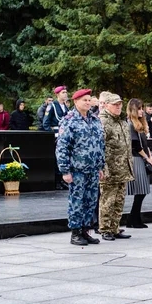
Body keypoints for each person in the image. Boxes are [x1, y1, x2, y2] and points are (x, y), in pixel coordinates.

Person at [55, 89, 105, 246]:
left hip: (92, 169)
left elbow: (100, 145)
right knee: (77, 201)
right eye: (85, 100)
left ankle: (85, 230)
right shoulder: (69, 121)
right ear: (76, 102)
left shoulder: (95, 120)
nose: (88, 103)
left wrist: (100, 167)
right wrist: (65, 170)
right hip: (77, 170)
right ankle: (75, 233)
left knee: (90, 201)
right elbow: (62, 147)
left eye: (89, 100)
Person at [98, 94, 134, 241]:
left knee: (119, 200)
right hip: (110, 169)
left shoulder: (122, 122)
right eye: (115, 104)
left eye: (119, 104)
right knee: (108, 200)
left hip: (122, 168)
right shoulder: (103, 121)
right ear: (106, 105)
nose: (118, 107)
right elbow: (100, 147)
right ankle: (105, 229)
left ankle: (115, 227)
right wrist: (103, 168)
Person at [126, 98, 152, 229]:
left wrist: (150, 157)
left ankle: (134, 218)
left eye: (142, 108)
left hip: (141, 158)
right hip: (136, 158)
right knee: (140, 190)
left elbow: (145, 144)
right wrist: (147, 157)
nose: (142, 111)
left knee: (141, 191)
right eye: (139, 108)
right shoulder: (130, 124)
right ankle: (133, 218)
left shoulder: (140, 124)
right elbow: (135, 145)